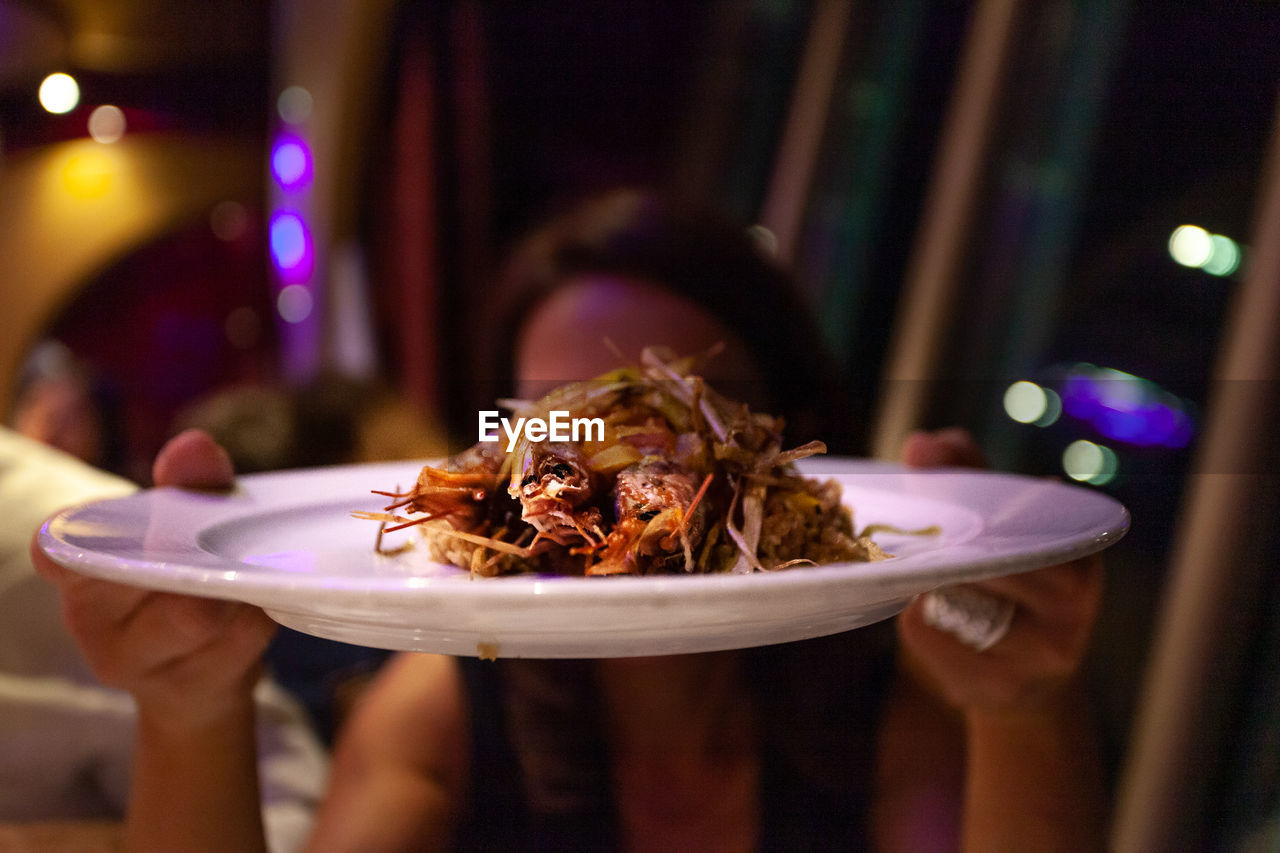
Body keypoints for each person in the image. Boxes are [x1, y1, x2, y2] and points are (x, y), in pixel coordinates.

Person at [32, 189, 1104, 851]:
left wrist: (1021, 712)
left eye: (667, 403)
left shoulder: (887, 703)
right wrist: (188, 709)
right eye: (557, 411)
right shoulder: (447, 706)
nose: (605, 448)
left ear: (776, 439)